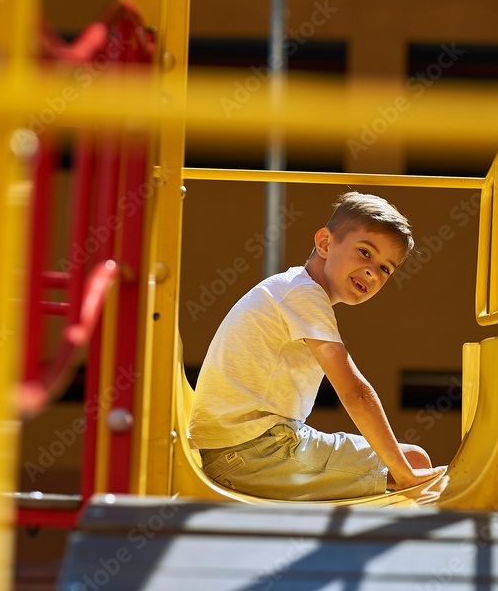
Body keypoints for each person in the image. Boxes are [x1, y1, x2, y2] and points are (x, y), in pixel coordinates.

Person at [188, 192, 446, 500]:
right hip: (251, 455)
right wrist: (404, 475)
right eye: (365, 252)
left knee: (410, 460)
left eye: (386, 269)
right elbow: (354, 392)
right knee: (411, 465)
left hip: (247, 450)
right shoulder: (303, 295)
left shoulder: (293, 288)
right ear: (324, 243)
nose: (373, 272)